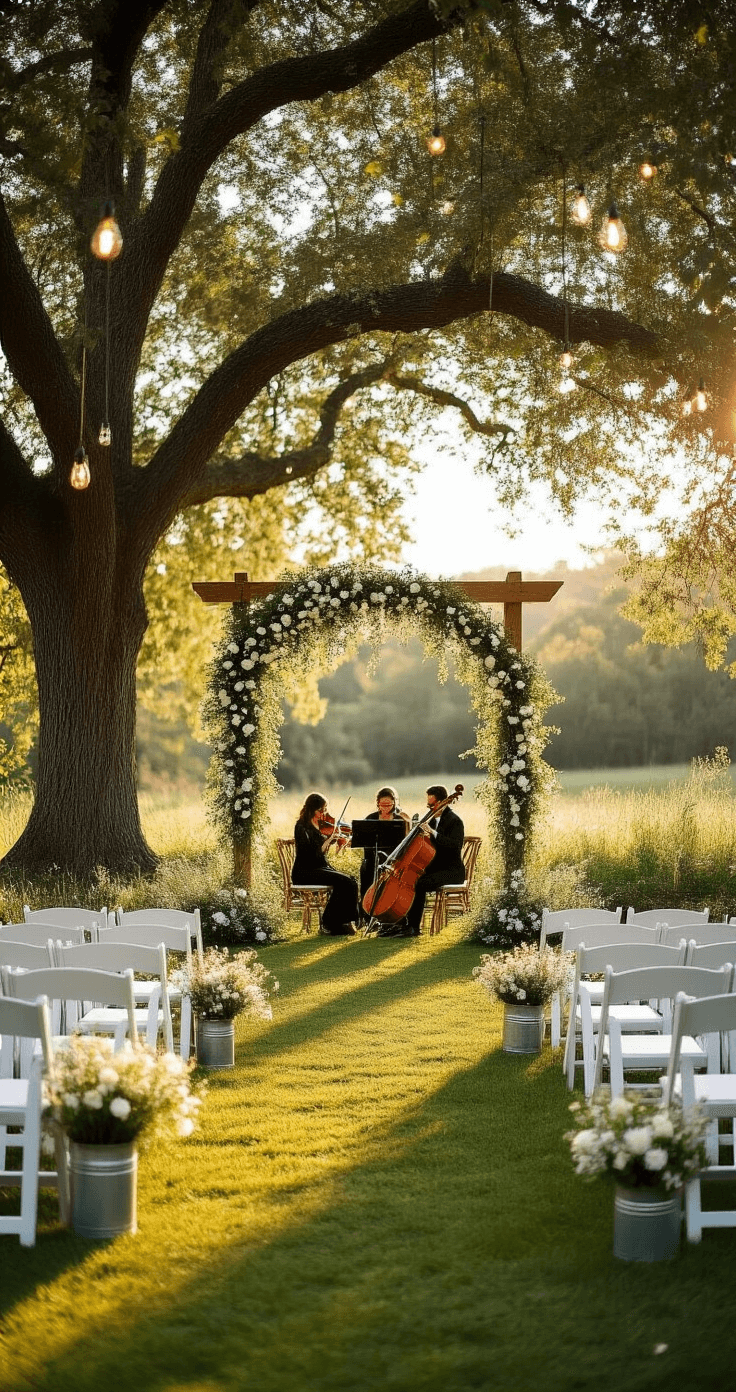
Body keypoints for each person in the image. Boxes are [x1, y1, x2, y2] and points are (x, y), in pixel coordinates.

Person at [292, 792, 360, 936]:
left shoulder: (319, 825)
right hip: (305, 872)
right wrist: (329, 840)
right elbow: (312, 854)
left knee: (350, 881)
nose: (324, 813)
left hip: (318, 868)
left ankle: (343, 921)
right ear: (312, 809)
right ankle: (330, 922)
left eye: (325, 810)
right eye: (321, 810)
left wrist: (336, 839)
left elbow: (322, 849)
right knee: (345, 882)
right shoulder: (301, 827)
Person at [402, 784, 465, 937]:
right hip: (435, 868)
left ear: (443, 802)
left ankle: (414, 928)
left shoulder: (454, 821)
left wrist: (433, 834)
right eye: (428, 805)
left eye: (432, 805)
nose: (430, 808)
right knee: (409, 880)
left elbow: (455, 846)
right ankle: (403, 924)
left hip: (452, 871)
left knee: (420, 884)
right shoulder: (430, 821)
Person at [359, 786, 410, 916]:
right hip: (373, 858)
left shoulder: (399, 819)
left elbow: (406, 843)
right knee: (366, 868)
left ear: (394, 803)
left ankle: (386, 911)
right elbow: (364, 842)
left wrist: (408, 824)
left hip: (392, 860)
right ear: (378, 804)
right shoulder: (370, 818)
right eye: (382, 805)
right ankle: (365, 913)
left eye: (389, 805)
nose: (386, 808)